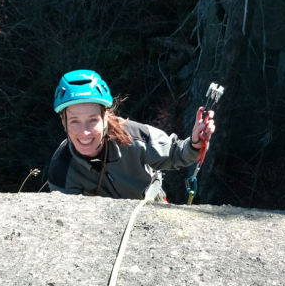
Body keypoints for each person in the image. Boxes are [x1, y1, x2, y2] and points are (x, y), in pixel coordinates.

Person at [48, 69, 215, 200]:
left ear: (106, 118)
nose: (84, 131)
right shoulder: (62, 168)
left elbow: (175, 153)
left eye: (93, 120)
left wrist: (194, 143)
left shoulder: (134, 137)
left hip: (149, 209)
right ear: (64, 123)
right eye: (74, 121)